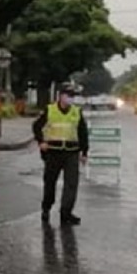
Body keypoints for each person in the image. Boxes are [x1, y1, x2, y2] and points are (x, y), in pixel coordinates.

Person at [33, 83, 89, 226]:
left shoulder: (76, 111)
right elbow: (37, 126)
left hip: (71, 152)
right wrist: (41, 142)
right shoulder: (50, 109)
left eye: (72, 96)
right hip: (53, 152)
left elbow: (83, 132)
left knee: (71, 184)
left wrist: (84, 152)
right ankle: (46, 208)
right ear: (60, 96)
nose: (70, 99)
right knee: (50, 183)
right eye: (68, 95)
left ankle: (66, 213)